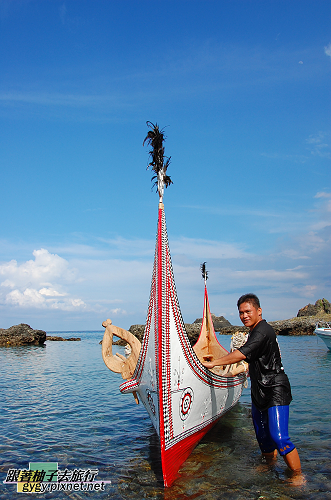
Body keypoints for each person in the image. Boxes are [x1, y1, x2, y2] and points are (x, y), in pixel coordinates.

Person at [203, 293, 302, 474]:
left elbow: (242, 353)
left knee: (280, 438)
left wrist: (213, 363)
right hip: (259, 389)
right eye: (241, 313)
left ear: (259, 311)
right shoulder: (254, 332)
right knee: (263, 437)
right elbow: (250, 362)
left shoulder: (263, 331)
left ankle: (297, 476)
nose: (244, 316)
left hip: (275, 389)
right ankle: (270, 465)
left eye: (248, 311)